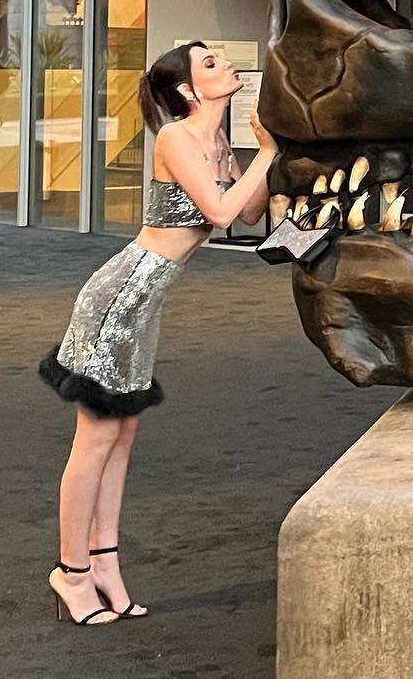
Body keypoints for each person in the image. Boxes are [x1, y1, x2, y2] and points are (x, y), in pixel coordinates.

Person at [39, 41, 276, 626]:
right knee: (96, 438)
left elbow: (251, 214)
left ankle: (105, 565)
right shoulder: (175, 137)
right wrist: (270, 153)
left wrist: (263, 150)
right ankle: (71, 573)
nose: (224, 63)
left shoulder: (217, 144)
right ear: (188, 90)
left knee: (121, 435)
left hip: (144, 305)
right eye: (209, 63)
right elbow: (220, 213)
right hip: (117, 298)